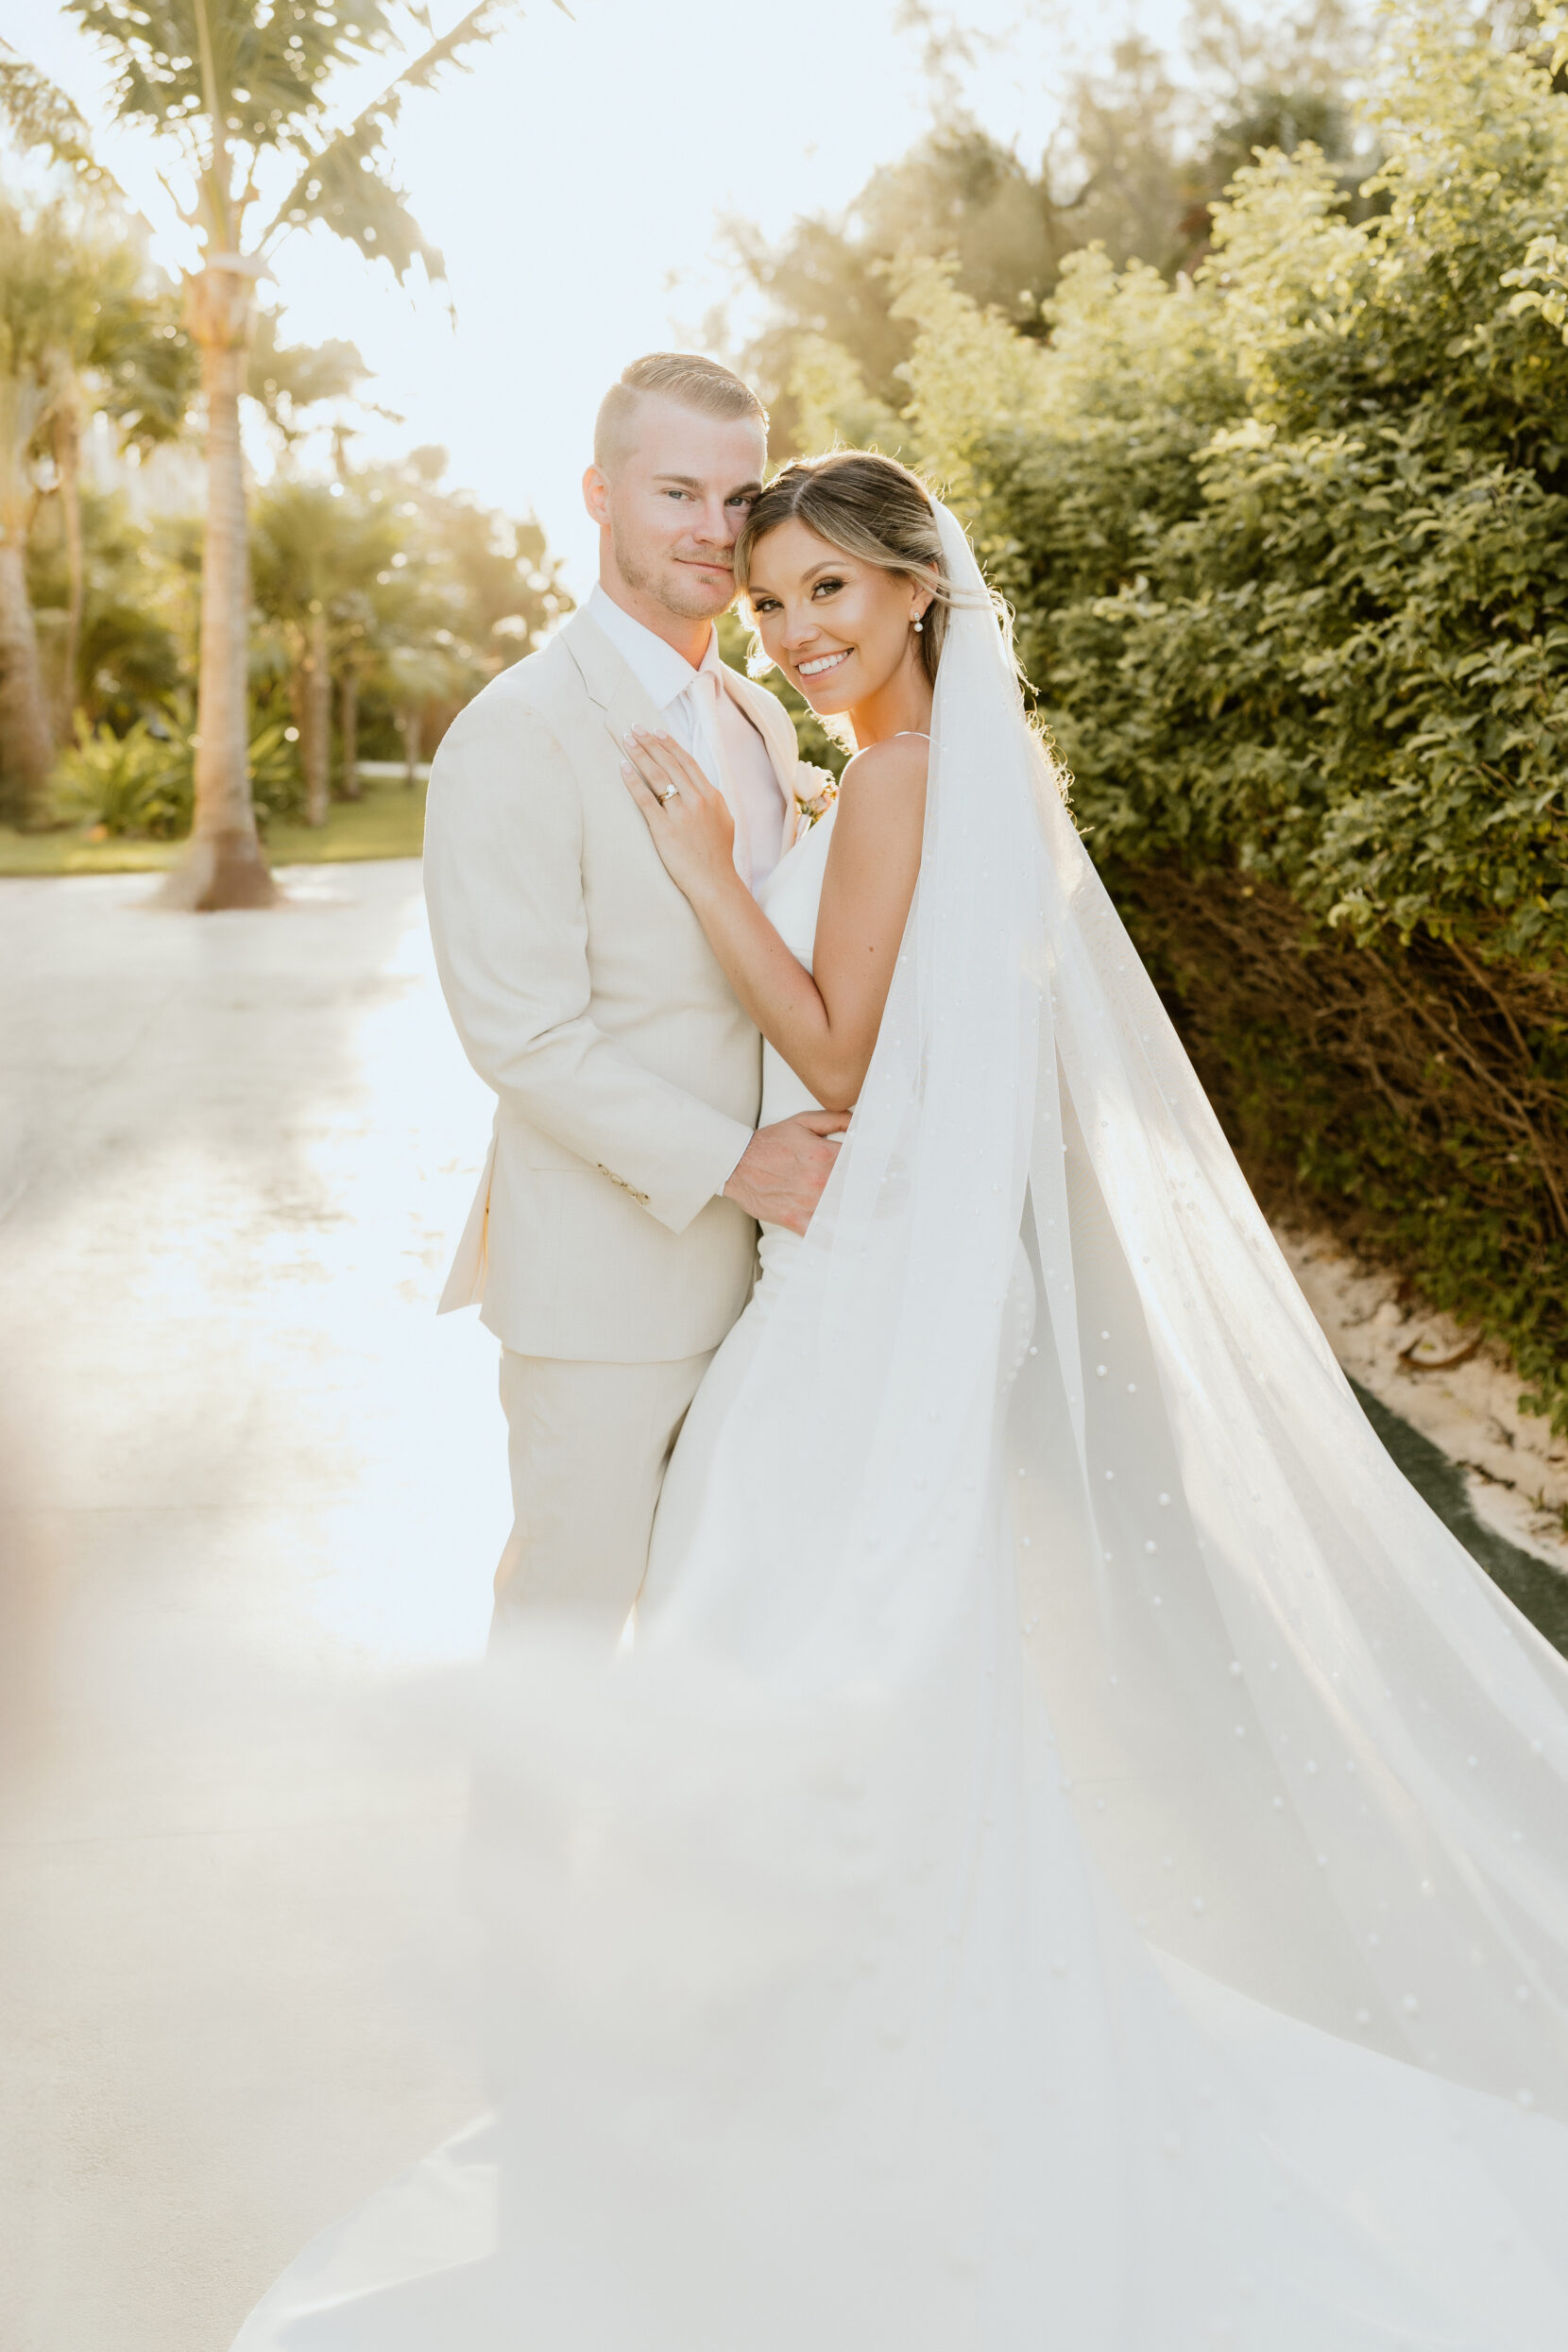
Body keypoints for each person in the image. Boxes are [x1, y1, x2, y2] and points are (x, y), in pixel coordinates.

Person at [234, 453, 1568, 2349]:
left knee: (773, 1638)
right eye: (769, 603)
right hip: (900, 1273)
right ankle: (860, 2037)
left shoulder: (892, 781)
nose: (790, 634)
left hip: (854, 1285)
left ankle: (805, 2075)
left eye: (826, 598)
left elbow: (838, 1043)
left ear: (916, 594)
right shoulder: (987, 777)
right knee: (867, 1652)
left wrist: (704, 865)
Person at [422, 352, 844, 1639]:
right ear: (599, 496)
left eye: (737, 495)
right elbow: (526, 1037)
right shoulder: (520, 729)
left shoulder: (756, 718)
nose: (715, 530)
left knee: (723, 1639)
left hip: (784, 1277)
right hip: (610, 1291)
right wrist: (744, 1164)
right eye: (676, 491)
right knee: (566, 1635)